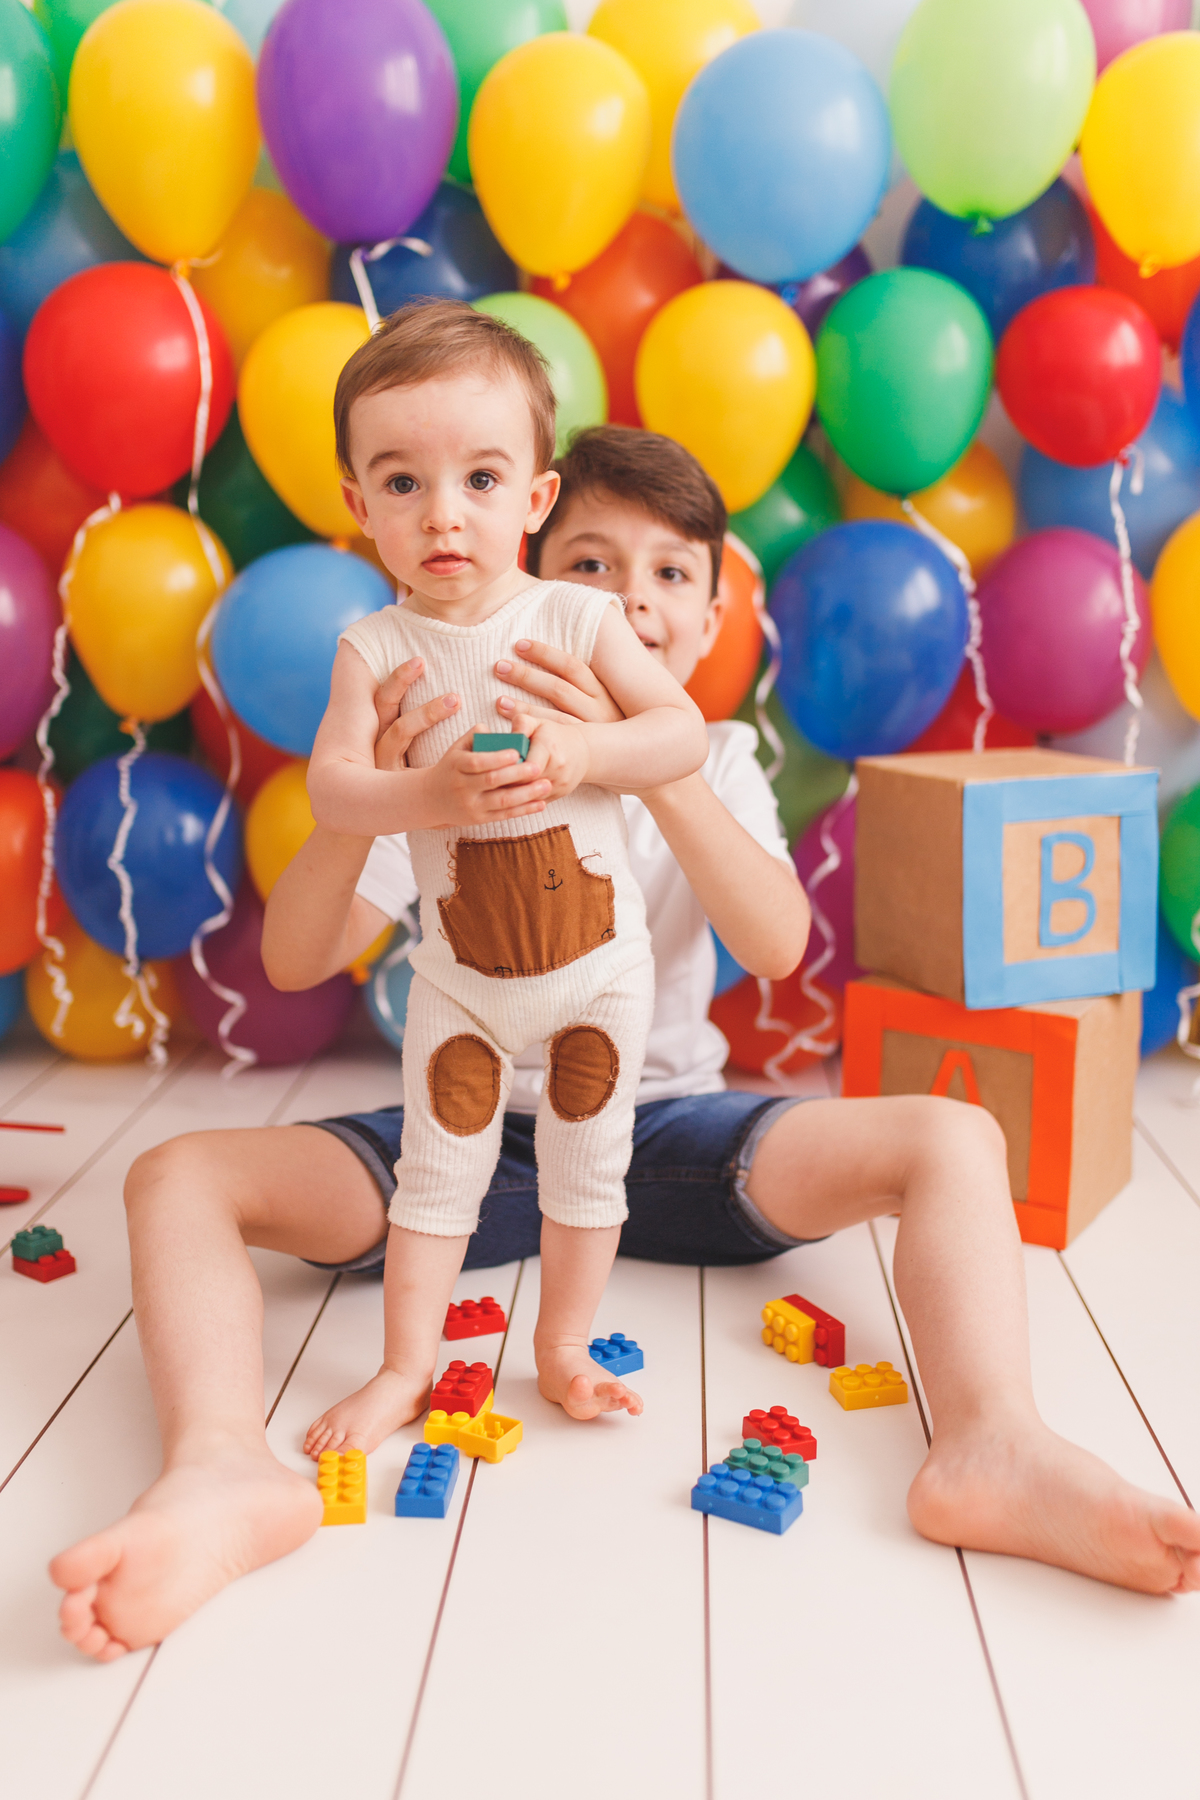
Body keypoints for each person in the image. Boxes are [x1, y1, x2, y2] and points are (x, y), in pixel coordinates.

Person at [49, 422, 1200, 1666]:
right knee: (176, 1176)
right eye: (591, 566)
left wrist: (640, 759)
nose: (632, 603)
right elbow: (294, 964)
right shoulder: (448, 741)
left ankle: (994, 1440)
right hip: (470, 1130)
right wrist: (371, 788)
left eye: (670, 578)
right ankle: (223, 1466)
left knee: (956, 1133)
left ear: (708, 627)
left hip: (667, 1132)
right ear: (534, 590)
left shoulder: (715, 757)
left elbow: (771, 944)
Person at [302, 301, 710, 1451]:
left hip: (599, 973)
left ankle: (564, 1347)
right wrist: (427, 796)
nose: (443, 515)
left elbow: (677, 734)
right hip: (465, 981)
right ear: (357, 507)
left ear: (536, 500)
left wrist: (587, 751)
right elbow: (335, 790)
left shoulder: (577, 617)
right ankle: (402, 1367)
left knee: (592, 1163)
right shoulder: (374, 649)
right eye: (401, 484)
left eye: (482, 480)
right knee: (434, 1175)